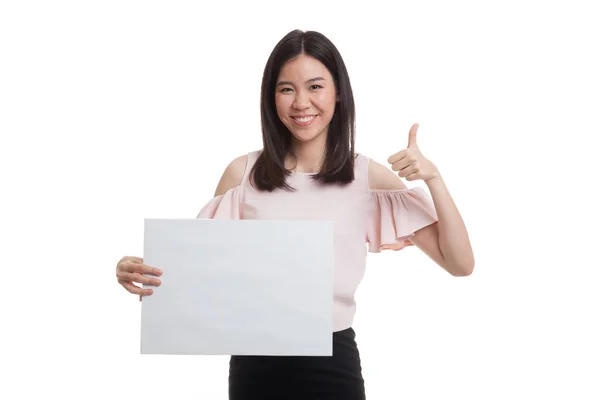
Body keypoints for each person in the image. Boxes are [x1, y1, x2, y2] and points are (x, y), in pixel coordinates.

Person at [115, 29, 474, 399]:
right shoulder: (243, 175)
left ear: (338, 93)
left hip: (332, 364)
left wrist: (433, 178)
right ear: (271, 98)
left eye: (315, 86)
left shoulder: (366, 177)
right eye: (287, 89)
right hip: (255, 365)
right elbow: (197, 279)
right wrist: (138, 270)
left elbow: (460, 263)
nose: (301, 102)